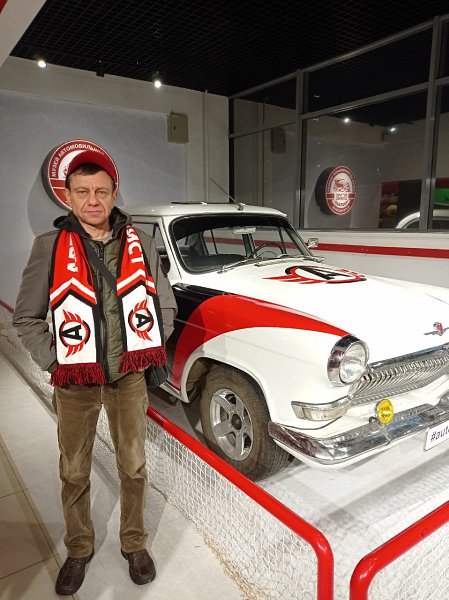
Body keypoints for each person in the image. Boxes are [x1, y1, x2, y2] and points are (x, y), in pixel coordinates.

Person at [13, 149, 177, 596]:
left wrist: (149, 348)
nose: (92, 200)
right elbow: (26, 317)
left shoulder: (139, 243)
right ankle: (79, 546)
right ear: (67, 196)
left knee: (134, 467)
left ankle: (134, 542)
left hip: (127, 378)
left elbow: (164, 303)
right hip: (75, 383)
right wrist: (55, 363)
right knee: (74, 470)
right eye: (82, 191)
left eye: (101, 192)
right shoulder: (49, 247)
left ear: (114, 194)